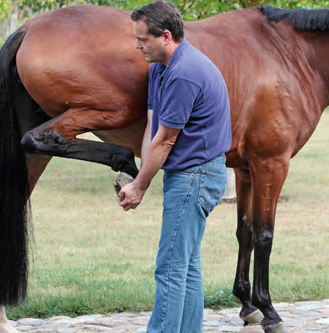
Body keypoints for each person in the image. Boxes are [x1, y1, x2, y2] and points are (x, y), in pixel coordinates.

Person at [118, 1, 232, 332]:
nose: (137, 45)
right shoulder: (160, 68)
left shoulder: (185, 73)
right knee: (187, 265)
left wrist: (140, 187)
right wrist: (140, 177)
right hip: (188, 175)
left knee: (169, 267)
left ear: (165, 36)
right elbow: (153, 130)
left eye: (142, 39)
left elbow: (166, 140)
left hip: (197, 177)